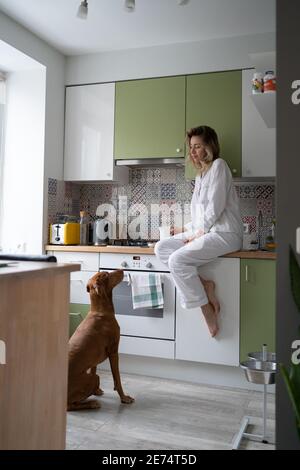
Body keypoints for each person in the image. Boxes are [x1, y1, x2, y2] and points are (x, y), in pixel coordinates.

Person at [155, 125, 243, 337]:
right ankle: (205, 285)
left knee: (177, 261)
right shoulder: (201, 175)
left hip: (225, 233)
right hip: (205, 231)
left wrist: (197, 234)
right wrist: (184, 230)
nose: (192, 151)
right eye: (191, 147)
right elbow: (199, 216)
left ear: (210, 146)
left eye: (197, 146)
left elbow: (215, 208)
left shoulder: (219, 166)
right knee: (162, 248)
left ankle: (207, 311)